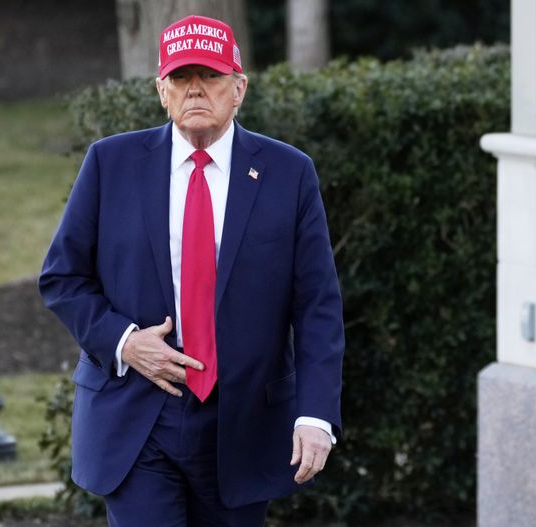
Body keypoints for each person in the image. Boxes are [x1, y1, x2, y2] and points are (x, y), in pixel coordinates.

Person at [39, 14, 345, 527]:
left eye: (211, 77)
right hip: (136, 416)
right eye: (181, 78)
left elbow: (316, 305)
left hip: (242, 423)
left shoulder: (288, 174)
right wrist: (124, 342)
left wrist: (315, 415)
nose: (195, 90)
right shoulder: (110, 164)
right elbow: (62, 277)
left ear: (239, 88)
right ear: (162, 91)